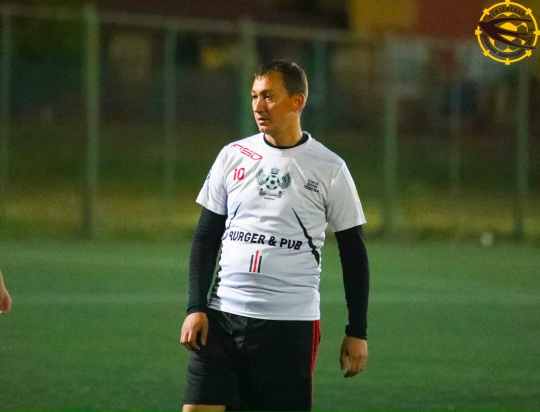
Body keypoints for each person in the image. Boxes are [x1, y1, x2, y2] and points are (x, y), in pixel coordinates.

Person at [180, 60, 370, 412]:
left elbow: (353, 254)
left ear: (297, 101)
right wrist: (196, 307)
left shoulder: (330, 168)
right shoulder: (233, 156)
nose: (258, 106)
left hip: (288, 325)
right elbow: (206, 236)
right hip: (222, 317)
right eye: (254, 96)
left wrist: (357, 330)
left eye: (269, 96)